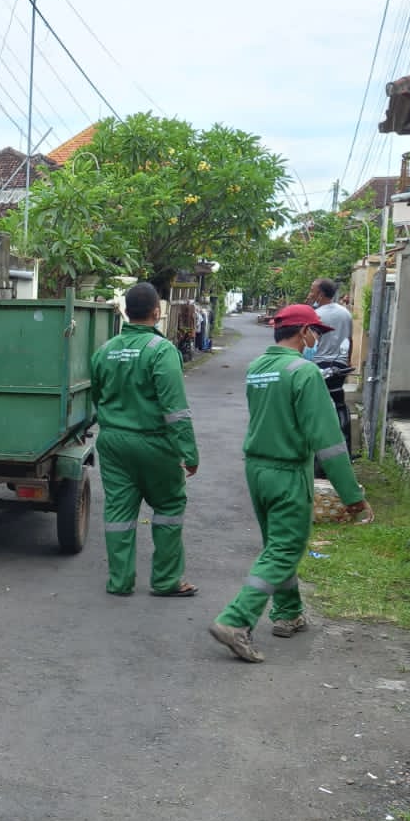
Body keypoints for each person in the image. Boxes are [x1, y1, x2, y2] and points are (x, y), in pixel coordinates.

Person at [209, 305, 373, 663]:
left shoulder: (257, 369)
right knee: (285, 548)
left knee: (276, 544)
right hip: (287, 472)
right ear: (303, 334)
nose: (317, 339)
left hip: (256, 469)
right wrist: (352, 495)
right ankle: (235, 621)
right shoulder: (304, 372)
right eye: (315, 332)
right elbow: (328, 441)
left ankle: (287, 612)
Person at [90, 282, 199, 598]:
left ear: (124, 311)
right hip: (154, 444)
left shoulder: (104, 351)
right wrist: (189, 453)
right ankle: (166, 581)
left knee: (119, 512)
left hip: (112, 441)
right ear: (158, 311)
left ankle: (120, 582)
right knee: (168, 505)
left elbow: (98, 397)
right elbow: (175, 409)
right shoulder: (162, 352)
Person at [306, 278, 353, 362]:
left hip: (319, 363)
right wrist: (348, 361)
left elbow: (310, 344)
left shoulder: (315, 315)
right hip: (341, 364)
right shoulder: (346, 313)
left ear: (321, 294)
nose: (309, 294)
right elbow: (349, 340)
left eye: (312, 291)